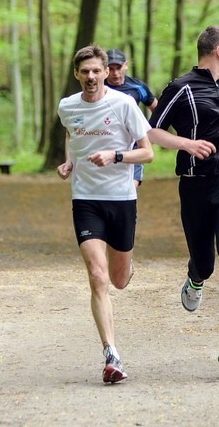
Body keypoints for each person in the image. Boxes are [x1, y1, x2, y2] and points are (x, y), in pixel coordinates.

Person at [147, 25, 219, 370]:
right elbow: (151, 131)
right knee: (205, 264)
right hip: (195, 187)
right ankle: (195, 277)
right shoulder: (180, 88)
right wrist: (187, 145)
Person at [57, 45, 154, 383]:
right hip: (85, 200)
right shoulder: (67, 107)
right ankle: (111, 354)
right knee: (98, 277)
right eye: (85, 72)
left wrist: (115, 156)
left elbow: (148, 153)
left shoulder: (125, 104)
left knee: (118, 279)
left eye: (96, 71)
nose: (91, 77)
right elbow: (72, 134)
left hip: (122, 199)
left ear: (105, 72)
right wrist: (70, 161)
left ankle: (126, 263)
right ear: (76, 74)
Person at [105, 49, 158, 187]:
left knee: (130, 190)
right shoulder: (99, 88)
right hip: (107, 147)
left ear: (126, 65)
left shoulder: (138, 87)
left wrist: (148, 133)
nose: (115, 73)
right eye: (111, 69)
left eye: (119, 68)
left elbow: (158, 110)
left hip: (135, 149)